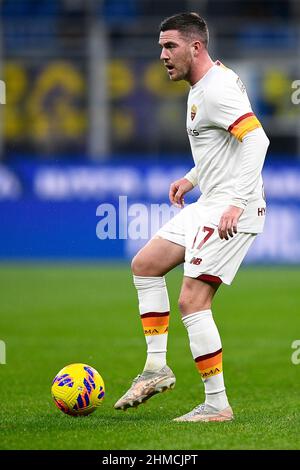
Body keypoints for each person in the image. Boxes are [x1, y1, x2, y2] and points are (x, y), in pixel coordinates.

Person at [114, 12, 269, 422]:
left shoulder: (216, 90)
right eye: (161, 47)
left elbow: (257, 139)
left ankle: (217, 404)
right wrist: (191, 176)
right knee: (146, 265)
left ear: (195, 47)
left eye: (170, 46)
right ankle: (156, 368)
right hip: (212, 200)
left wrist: (235, 201)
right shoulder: (205, 84)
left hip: (233, 208)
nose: (162, 55)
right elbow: (224, 146)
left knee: (192, 301)